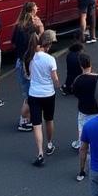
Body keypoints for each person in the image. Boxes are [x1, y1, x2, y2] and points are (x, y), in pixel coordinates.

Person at [27, 30, 61, 167]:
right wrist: (58, 86)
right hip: (48, 94)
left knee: (36, 124)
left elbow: (29, 75)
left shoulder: (31, 58)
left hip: (34, 94)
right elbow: (55, 79)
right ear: (49, 44)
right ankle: (49, 143)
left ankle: (40, 152)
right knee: (49, 119)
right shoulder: (50, 59)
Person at [72, 53, 98, 151]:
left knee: (82, 127)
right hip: (97, 108)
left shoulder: (78, 80)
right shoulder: (97, 78)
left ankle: (82, 144)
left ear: (81, 66)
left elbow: (76, 93)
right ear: (90, 63)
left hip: (83, 108)